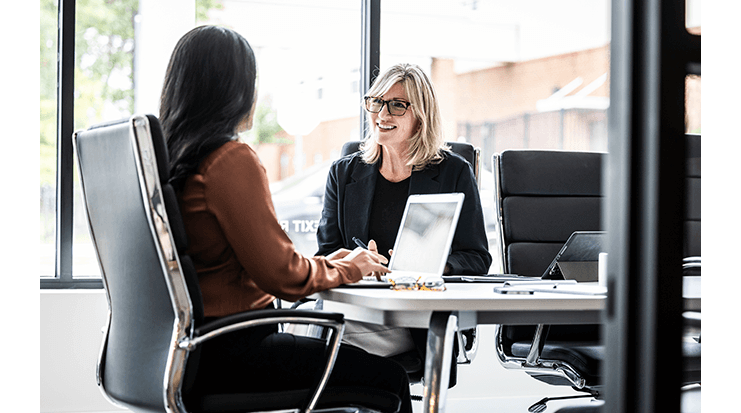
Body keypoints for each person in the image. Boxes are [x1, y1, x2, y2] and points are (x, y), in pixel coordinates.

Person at [160, 25, 412, 413]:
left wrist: (333, 263)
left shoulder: (173, 161)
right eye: (253, 81)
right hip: (236, 352)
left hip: (181, 351)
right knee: (390, 379)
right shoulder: (229, 160)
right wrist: (350, 269)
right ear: (233, 89)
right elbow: (284, 276)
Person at [314, 63, 492, 365]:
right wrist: (356, 265)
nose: (382, 115)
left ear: (420, 116)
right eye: (377, 102)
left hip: (417, 319)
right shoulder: (344, 173)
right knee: (309, 326)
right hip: (357, 307)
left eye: (397, 106)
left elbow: (476, 258)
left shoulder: (453, 172)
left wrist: (429, 267)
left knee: (321, 344)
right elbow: (327, 253)